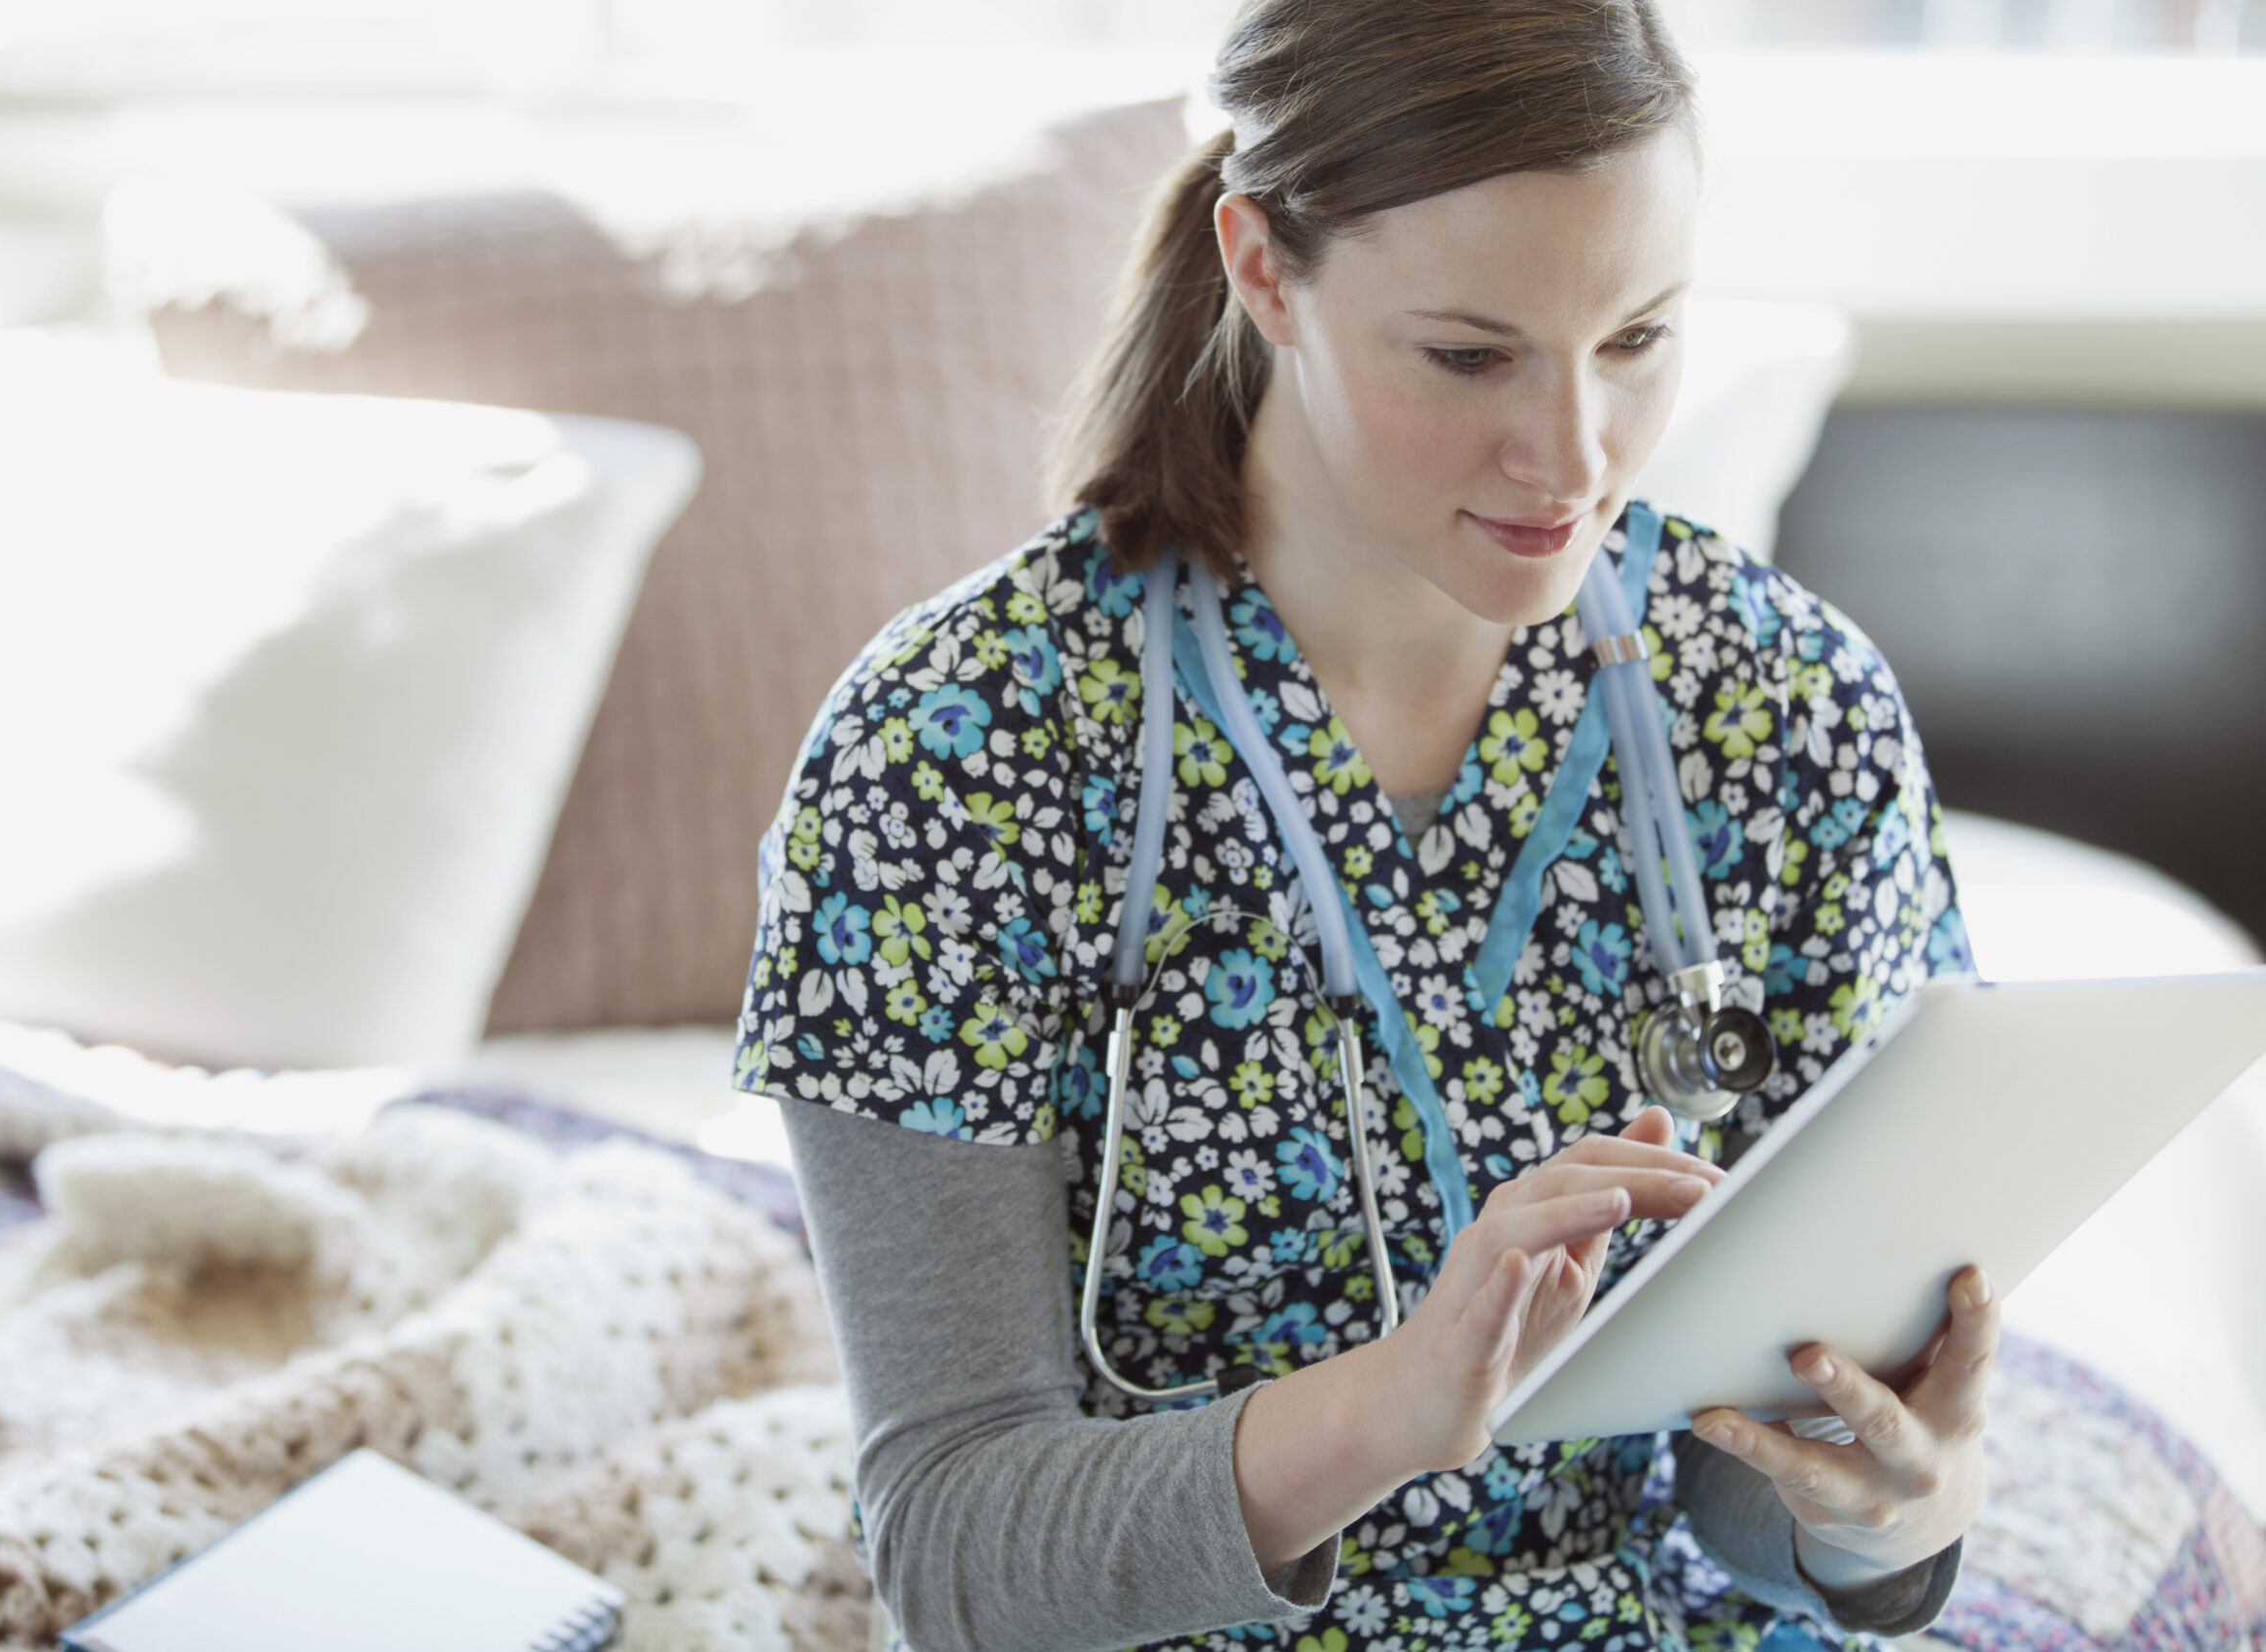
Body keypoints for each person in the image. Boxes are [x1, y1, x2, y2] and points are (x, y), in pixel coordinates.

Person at [734, 1, 1992, 1646]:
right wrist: (1397, 1407)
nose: (1573, 456)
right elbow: (958, 1558)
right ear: (1264, 269)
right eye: (1469, 356)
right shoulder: (954, 751)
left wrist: (1883, 1513)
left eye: (1636, 340)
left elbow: (1760, 1482)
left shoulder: (1788, 710)